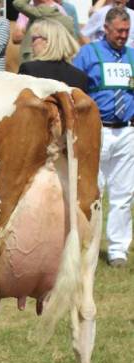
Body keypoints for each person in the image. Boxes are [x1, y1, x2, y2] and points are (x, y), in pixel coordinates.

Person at [73, 7, 134, 268]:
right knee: (91, 190)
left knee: (123, 192)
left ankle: (118, 250)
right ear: (106, 29)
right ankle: (85, 244)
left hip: (127, 130)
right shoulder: (88, 54)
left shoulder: (132, 56)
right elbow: (74, 88)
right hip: (97, 130)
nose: (123, 36)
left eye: (127, 31)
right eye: (119, 31)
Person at [18, 18, 88, 90]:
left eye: (34, 39)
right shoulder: (80, 76)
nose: (31, 44)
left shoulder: (29, 69)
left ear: (48, 41)